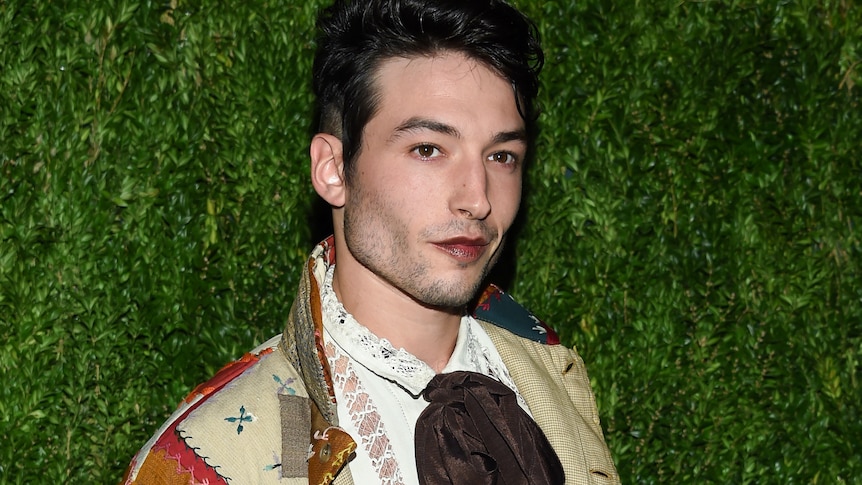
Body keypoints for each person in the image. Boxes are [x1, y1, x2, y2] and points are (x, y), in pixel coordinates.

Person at [123, 0, 619, 483]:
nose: (478, 199)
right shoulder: (217, 458)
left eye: (501, 156)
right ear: (333, 169)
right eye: (428, 149)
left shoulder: (553, 376)